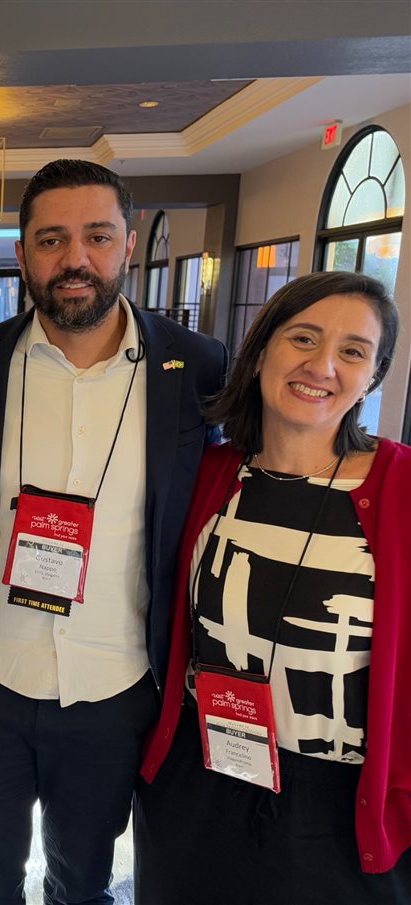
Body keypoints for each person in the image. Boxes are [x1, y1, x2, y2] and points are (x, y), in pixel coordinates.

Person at [0, 159, 229, 905]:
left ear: (128, 244)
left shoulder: (196, 367)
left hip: (114, 683)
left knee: (83, 885)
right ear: (24, 253)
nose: (75, 260)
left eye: (96, 236)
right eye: (52, 240)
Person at [135, 271, 409, 903]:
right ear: (261, 351)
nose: (322, 365)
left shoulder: (401, 488)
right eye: (303, 338)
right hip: (200, 779)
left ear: (374, 375)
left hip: (339, 806)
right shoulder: (208, 475)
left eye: (353, 351)